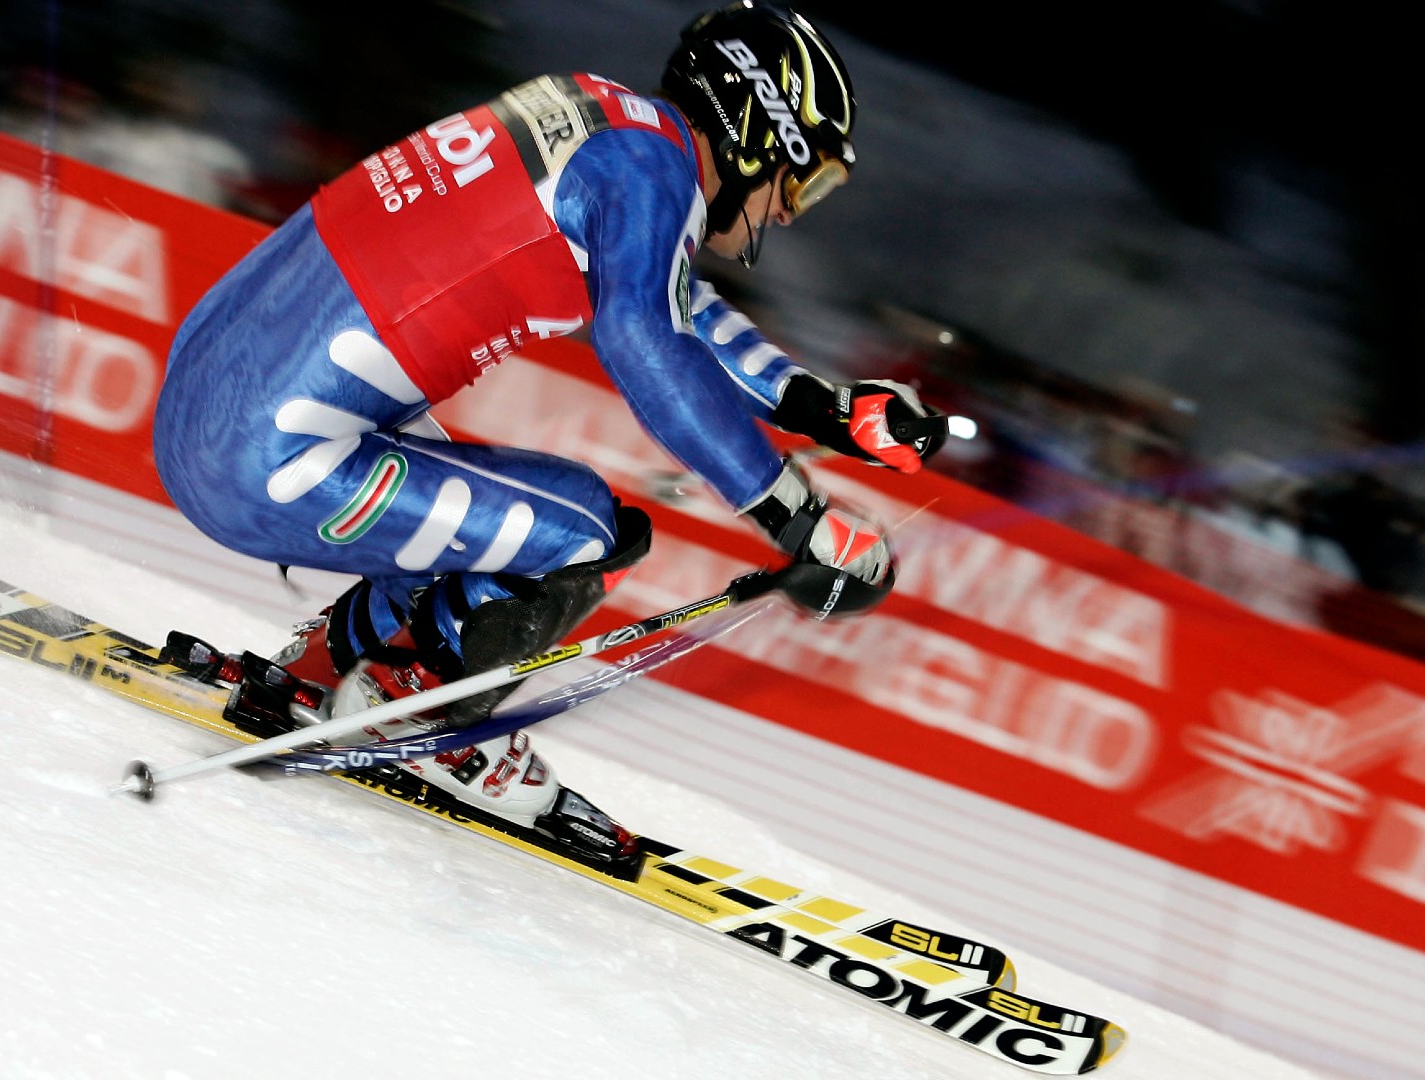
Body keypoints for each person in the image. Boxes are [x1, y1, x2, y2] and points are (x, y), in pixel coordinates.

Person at [151, 1, 947, 857]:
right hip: (270, 459)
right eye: (805, 181)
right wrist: (798, 519)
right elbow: (645, 339)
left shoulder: (610, 121)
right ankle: (429, 717)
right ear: (758, 132)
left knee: (498, 513)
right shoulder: (654, 175)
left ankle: (326, 673)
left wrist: (828, 408)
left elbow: (679, 312)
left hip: (213, 415)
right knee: (589, 533)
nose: (789, 213)